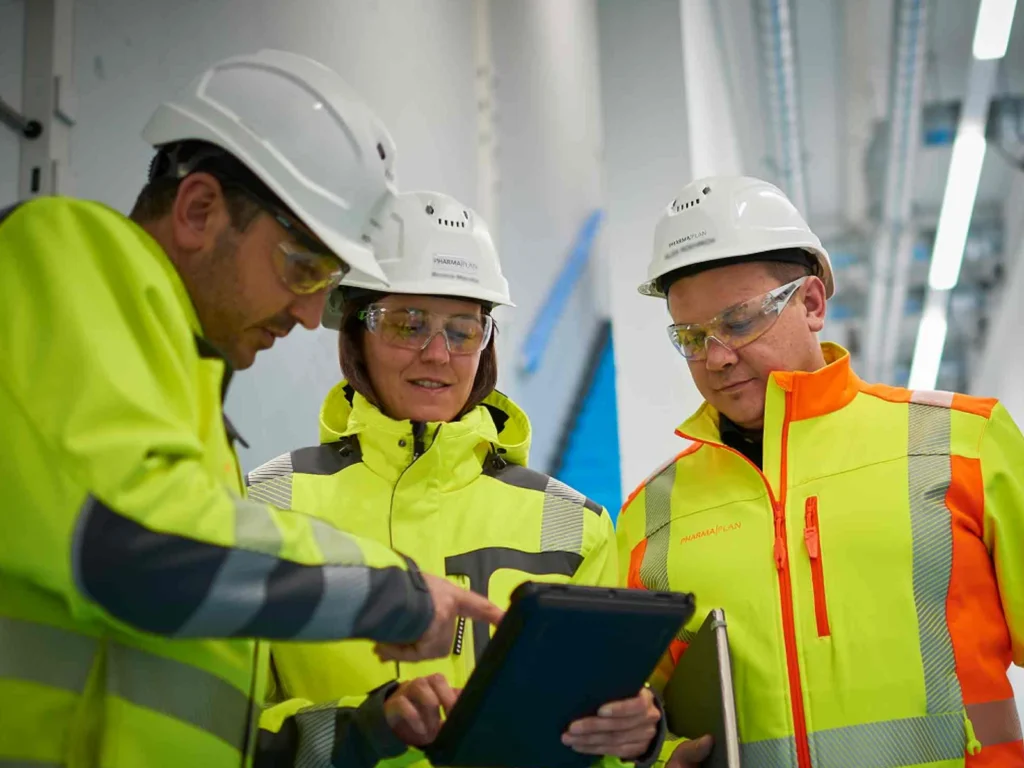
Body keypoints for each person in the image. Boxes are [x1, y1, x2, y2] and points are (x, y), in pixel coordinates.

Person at [0, 50, 501, 768]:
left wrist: (366, 732)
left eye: (324, 281)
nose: (305, 314)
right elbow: (141, 548)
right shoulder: (62, 251)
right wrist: (396, 592)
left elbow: (193, 710)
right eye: (302, 268)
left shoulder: (188, 417)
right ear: (200, 209)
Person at [247, 189, 666, 768]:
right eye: (408, 324)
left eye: (463, 330)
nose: (438, 354)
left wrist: (639, 741)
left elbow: (593, 738)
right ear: (357, 335)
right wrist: (367, 723)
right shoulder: (268, 502)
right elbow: (227, 719)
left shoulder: (575, 525)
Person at [617, 175, 1024, 768]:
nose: (717, 358)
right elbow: (633, 713)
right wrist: (662, 752)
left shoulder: (964, 441)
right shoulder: (651, 513)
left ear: (811, 303)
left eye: (738, 322)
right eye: (692, 337)